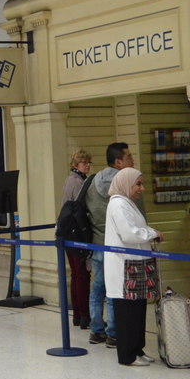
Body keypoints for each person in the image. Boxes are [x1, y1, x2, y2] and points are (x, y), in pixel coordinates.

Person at [104, 167, 162, 366]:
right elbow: (129, 233)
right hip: (125, 267)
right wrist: (152, 233)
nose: (141, 188)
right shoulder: (118, 204)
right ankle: (127, 355)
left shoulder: (128, 203)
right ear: (126, 184)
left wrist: (149, 232)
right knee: (127, 313)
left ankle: (137, 349)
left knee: (138, 309)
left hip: (135, 264)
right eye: (138, 184)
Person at [84, 142, 137, 347]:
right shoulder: (126, 185)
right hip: (117, 245)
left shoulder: (92, 181)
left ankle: (96, 330)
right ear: (118, 162)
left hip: (96, 244)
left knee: (97, 289)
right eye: (129, 156)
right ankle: (114, 333)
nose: (132, 160)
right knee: (115, 290)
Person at [60, 148, 92, 329]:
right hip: (75, 232)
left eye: (88, 162)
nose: (87, 165)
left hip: (68, 231)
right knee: (81, 275)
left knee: (76, 274)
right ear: (75, 165)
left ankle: (78, 315)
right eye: (83, 163)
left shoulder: (71, 180)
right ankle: (84, 315)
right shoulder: (77, 182)